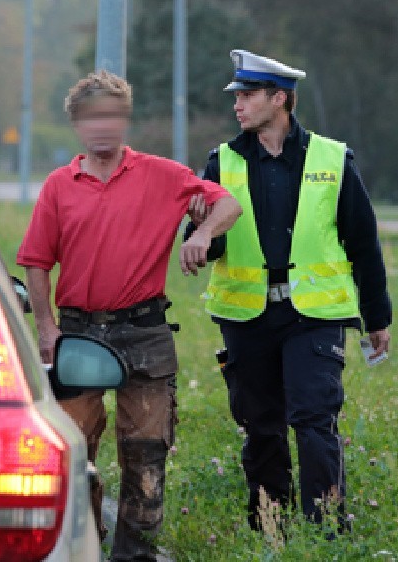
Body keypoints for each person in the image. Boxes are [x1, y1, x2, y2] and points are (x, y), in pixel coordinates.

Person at [17, 70, 241, 560]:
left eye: (113, 116)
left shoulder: (162, 175)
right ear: (77, 124)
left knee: (146, 453)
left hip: (144, 331)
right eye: (93, 117)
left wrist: (202, 234)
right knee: (73, 453)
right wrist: (47, 329)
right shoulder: (59, 186)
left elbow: (228, 204)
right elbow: (35, 262)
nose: (104, 127)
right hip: (78, 334)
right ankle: (82, 546)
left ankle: (133, 554)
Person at [186, 50, 392, 535]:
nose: (238, 105)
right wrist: (197, 234)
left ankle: (325, 533)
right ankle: (270, 532)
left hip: (314, 317)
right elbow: (208, 244)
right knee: (261, 429)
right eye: (236, 96)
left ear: (279, 99)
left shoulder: (333, 158)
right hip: (246, 317)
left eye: (248, 95)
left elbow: (363, 241)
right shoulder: (222, 161)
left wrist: (377, 316)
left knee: (315, 421)